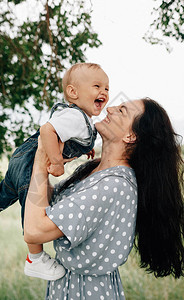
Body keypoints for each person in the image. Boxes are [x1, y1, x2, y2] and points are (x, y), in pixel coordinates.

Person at [24, 98, 184, 299]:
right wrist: (47, 157)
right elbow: (48, 206)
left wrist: (40, 160)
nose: (110, 108)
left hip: (84, 292)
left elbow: (35, 231)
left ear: (131, 136)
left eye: (121, 110)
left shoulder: (114, 185)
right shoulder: (96, 171)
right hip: (68, 286)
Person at [0, 62, 109, 281]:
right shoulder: (77, 118)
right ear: (73, 92)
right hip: (30, 163)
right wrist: (56, 162)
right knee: (33, 204)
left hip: (20, 159)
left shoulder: (79, 119)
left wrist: (85, 149)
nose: (104, 92)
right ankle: (35, 258)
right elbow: (47, 130)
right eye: (97, 86)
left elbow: (64, 135)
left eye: (107, 88)